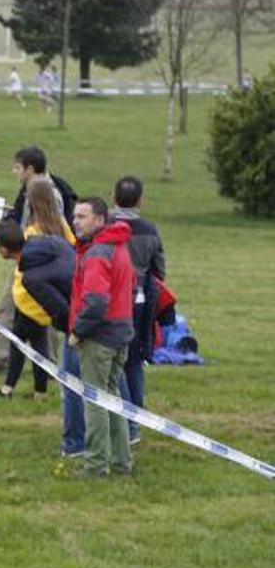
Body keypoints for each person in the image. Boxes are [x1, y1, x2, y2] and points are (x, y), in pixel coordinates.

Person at [67, 197, 135, 477]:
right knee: (113, 398)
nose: (76, 221)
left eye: (82, 216)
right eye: (74, 216)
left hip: (99, 337)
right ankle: (121, 462)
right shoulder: (119, 246)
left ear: (100, 219)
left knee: (95, 401)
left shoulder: (97, 253)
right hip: (121, 333)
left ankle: (95, 465)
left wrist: (77, 331)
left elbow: (95, 302)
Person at [0, 193, 74, 400]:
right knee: (21, 345)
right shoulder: (36, 243)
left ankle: (34, 391)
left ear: (4, 248)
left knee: (33, 348)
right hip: (27, 306)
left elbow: (51, 298)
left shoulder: (32, 272)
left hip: (32, 308)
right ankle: (18, 389)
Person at [111, 175, 166, 445]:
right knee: (134, 361)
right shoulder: (151, 230)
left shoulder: (104, 225)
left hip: (111, 302)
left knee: (114, 362)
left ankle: (124, 421)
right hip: (140, 303)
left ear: (113, 198)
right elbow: (160, 271)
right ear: (141, 200)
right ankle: (137, 420)